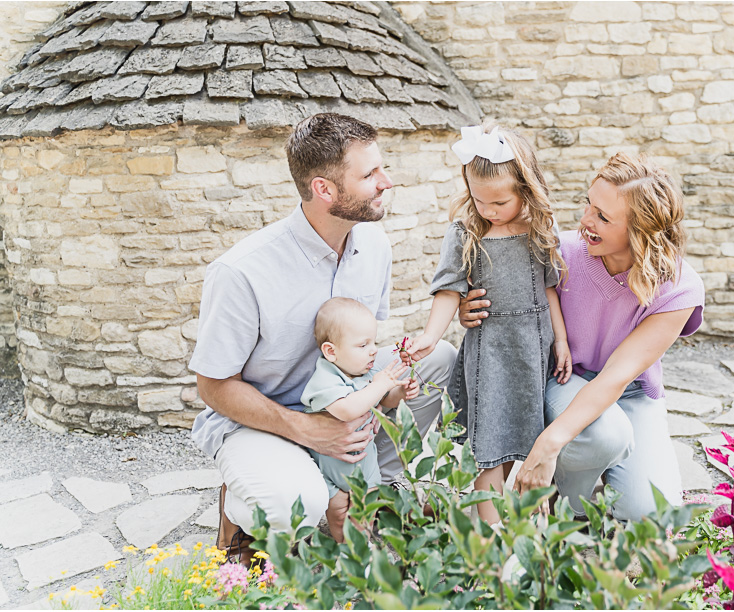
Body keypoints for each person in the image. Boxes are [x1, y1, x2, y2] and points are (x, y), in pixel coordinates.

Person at [188, 113, 457, 559]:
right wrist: (308, 429)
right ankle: (239, 508)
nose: (385, 182)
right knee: (302, 505)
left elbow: (361, 350)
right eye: (369, 174)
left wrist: (392, 385)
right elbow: (212, 386)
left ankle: (370, 490)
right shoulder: (241, 272)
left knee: (438, 358)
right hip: (264, 422)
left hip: (341, 396)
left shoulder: (375, 247)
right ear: (324, 189)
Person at [460, 152, 705, 521]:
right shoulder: (560, 251)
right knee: (605, 437)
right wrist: (468, 307)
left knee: (652, 515)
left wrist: (546, 445)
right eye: (588, 205)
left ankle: (578, 465)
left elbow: (616, 378)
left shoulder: (679, 289)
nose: (585, 221)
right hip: (562, 379)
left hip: (631, 393)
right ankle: (567, 502)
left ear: (641, 231)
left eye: (603, 217)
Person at [407, 124, 572, 525]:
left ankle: (531, 526)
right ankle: (492, 533)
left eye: (500, 201)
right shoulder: (466, 234)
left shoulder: (538, 232)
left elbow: (550, 289)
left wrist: (562, 341)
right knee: (488, 440)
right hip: (490, 350)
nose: (489, 210)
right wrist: (431, 335)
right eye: (480, 200)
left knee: (530, 436)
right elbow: (449, 291)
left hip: (532, 350)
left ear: (525, 189)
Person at [300, 298, 419, 542]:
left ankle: (360, 548)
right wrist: (379, 386)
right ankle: (345, 550)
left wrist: (400, 392)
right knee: (339, 513)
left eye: (374, 342)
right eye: (363, 345)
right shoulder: (325, 378)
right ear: (331, 351)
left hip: (364, 461)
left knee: (366, 509)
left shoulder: (367, 372)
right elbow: (347, 409)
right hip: (330, 467)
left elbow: (385, 400)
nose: (374, 350)